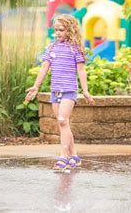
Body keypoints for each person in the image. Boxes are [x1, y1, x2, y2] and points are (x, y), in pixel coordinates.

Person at [25, 15, 95, 169]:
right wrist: (36, 86)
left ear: (70, 30)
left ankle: (63, 156)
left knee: (63, 120)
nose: (57, 33)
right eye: (55, 30)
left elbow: (81, 71)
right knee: (63, 124)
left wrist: (86, 91)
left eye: (61, 30)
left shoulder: (75, 48)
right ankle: (74, 155)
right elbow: (44, 67)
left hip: (69, 90)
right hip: (55, 91)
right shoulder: (52, 48)